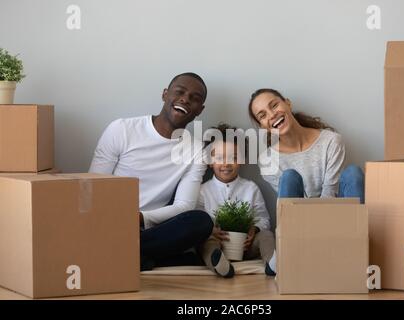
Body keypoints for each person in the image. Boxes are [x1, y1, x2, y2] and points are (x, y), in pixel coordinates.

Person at [89, 72, 213, 270]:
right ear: (165, 94)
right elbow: (92, 187)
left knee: (201, 222)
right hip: (109, 220)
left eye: (194, 99)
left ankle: (128, 254)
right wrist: (116, 218)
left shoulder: (197, 149)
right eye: (179, 92)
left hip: (151, 228)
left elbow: (184, 206)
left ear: (200, 110)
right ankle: (145, 257)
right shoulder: (121, 129)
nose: (185, 99)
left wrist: (139, 218)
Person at [248, 88, 365, 274]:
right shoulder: (267, 161)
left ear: (287, 103)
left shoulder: (331, 141)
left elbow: (330, 191)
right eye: (263, 115)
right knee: (289, 176)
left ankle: (354, 251)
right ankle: (286, 254)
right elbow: (293, 206)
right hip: (301, 226)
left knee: (353, 173)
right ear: (262, 126)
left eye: (274, 105)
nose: (272, 115)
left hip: (337, 220)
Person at [197, 123, 276, 278]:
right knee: (207, 242)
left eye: (233, 158)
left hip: (246, 247)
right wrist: (212, 231)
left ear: (242, 160)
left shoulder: (250, 188)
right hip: (218, 243)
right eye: (219, 158)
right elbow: (197, 221)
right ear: (210, 162)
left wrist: (254, 230)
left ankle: (273, 264)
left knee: (266, 235)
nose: (226, 164)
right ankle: (219, 265)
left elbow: (263, 218)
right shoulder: (202, 190)